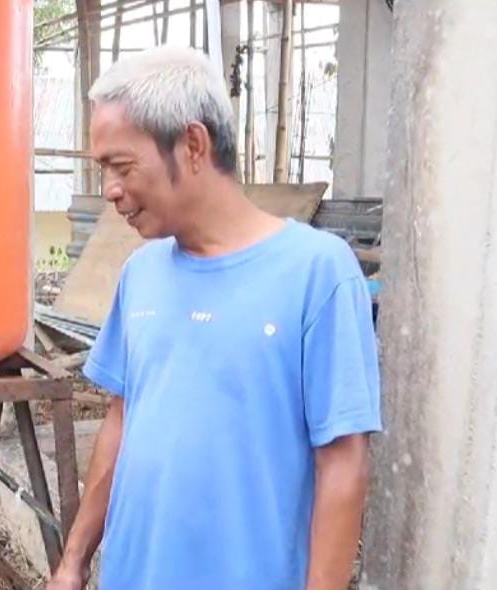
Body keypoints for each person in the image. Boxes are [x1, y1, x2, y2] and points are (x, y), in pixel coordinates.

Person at [46, 46, 382, 590]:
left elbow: (343, 464)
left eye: (120, 166)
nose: (109, 190)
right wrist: (75, 559)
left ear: (193, 145)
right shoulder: (142, 273)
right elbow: (121, 421)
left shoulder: (316, 273)